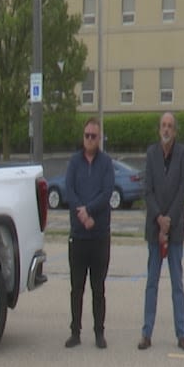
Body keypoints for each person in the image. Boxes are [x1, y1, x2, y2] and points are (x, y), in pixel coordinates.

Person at [140, 112, 184, 351]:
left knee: (177, 284)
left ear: (175, 130)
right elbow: (147, 190)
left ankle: (182, 334)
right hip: (154, 227)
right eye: (163, 125)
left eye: (170, 126)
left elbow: (182, 190)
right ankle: (146, 333)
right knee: (151, 282)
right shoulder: (151, 154)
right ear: (158, 129)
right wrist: (159, 218)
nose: (167, 129)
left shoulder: (183, 154)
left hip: (176, 228)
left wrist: (169, 219)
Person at [64, 117, 115, 349]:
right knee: (77, 288)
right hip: (78, 236)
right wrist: (81, 214)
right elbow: (69, 191)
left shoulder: (106, 163)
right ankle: (75, 332)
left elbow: (106, 193)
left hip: (99, 236)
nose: (90, 139)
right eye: (87, 136)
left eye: (94, 136)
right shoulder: (74, 162)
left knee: (98, 288)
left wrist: (90, 210)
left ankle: (99, 333)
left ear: (99, 138)